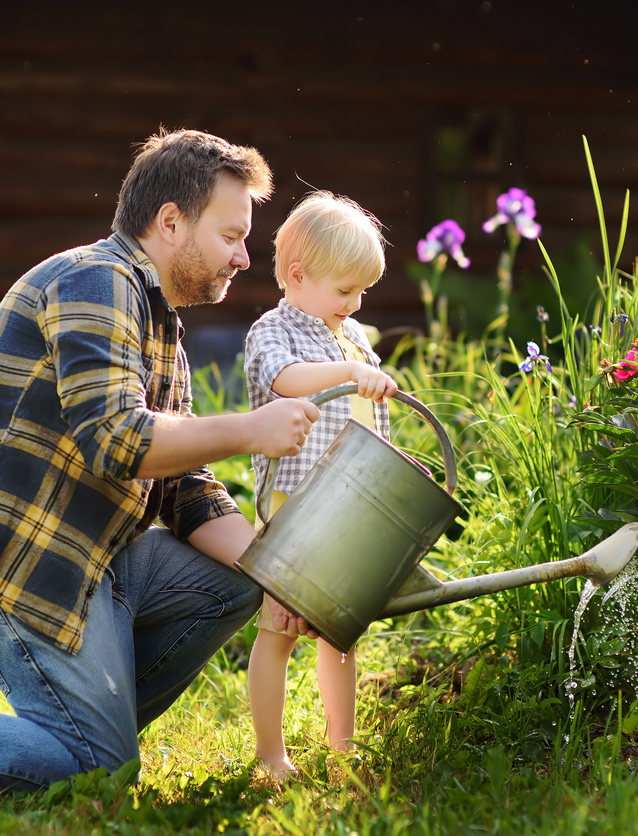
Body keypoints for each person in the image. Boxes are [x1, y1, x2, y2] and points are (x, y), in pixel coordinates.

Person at [0, 129, 323, 797]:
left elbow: (182, 491)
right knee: (100, 772)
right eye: (231, 236)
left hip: (95, 561)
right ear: (170, 222)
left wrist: (284, 577)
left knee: (237, 580)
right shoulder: (94, 279)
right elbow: (117, 440)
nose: (243, 256)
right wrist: (250, 431)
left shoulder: (159, 324)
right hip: (14, 563)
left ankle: (71, 730)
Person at [242, 192, 399, 778]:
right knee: (279, 631)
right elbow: (285, 382)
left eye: (362, 293)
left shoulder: (351, 335)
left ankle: (342, 746)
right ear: (299, 275)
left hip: (350, 509)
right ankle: (270, 754)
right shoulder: (272, 332)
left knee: (340, 634)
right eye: (344, 291)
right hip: (295, 510)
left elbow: (366, 419)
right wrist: (351, 372)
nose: (354, 304)